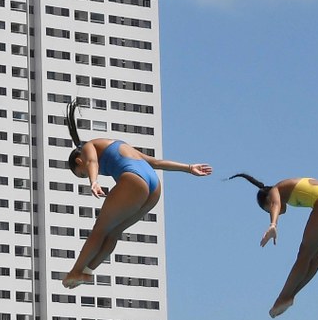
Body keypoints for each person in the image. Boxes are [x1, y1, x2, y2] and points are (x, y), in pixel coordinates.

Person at [62, 100, 212, 288]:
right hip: (153, 185)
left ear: (78, 161)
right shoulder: (122, 146)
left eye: (82, 174)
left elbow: (92, 162)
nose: (87, 174)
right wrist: (188, 168)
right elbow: (156, 163)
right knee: (114, 232)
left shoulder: (87, 147)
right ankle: (87, 272)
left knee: (100, 229)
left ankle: (76, 270)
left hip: (135, 180)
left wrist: (93, 181)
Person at [230, 174, 318, 317]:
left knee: (305, 255)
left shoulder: (275, 189)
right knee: (316, 256)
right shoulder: (291, 187)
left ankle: (283, 298)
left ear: (268, 200)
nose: (275, 212)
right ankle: (289, 297)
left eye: (268, 210)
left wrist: (273, 224)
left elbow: (275, 204)